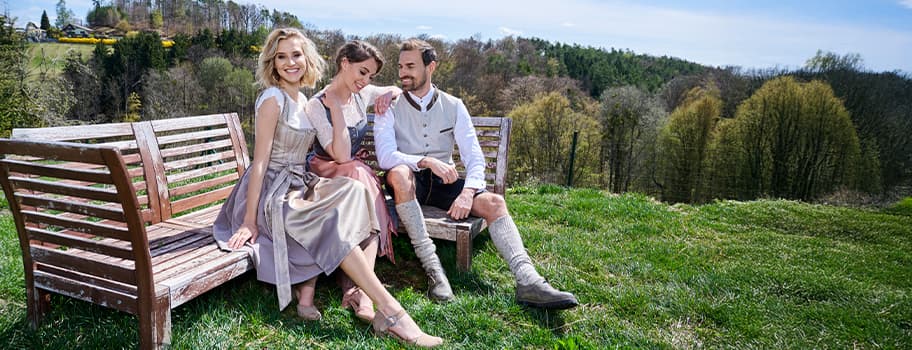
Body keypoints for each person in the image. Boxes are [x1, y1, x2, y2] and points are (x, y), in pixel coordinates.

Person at [212, 29, 442, 347]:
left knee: (356, 192)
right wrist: (249, 221)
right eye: (281, 56)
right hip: (269, 193)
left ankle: (335, 291)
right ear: (272, 62)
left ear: (307, 58)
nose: (290, 62)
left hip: (295, 182)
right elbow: (260, 163)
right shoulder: (272, 99)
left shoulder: (302, 99)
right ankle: (392, 312)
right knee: (329, 219)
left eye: (296, 54)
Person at [374, 38, 579, 309]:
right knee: (399, 173)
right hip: (408, 183)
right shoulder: (388, 106)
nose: (403, 73)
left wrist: (468, 193)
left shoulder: (454, 105)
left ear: (431, 67)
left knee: (495, 203)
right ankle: (435, 270)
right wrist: (426, 161)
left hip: (443, 183)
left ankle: (529, 281)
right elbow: (385, 156)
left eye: (410, 66)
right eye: (400, 66)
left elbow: (474, 156)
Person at [304, 40, 401, 322]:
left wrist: (388, 95)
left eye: (371, 75)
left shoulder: (363, 92)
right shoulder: (316, 105)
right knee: (361, 180)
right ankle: (364, 293)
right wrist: (335, 108)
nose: (366, 80)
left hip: (353, 173)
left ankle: (360, 290)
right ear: (344, 63)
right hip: (324, 174)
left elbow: (394, 89)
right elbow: (342, 155)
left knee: (362, 185)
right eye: (362, 72)